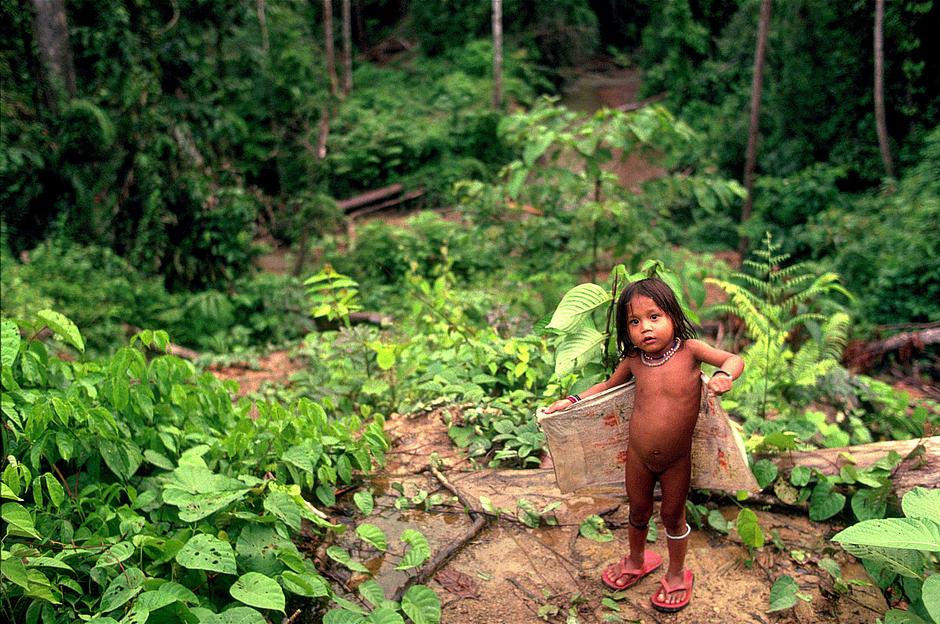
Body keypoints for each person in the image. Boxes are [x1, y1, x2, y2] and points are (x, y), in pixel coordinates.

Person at [544, 277, 743, 613]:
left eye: (654, 317)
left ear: (673, 317)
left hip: (675, 461)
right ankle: (637, 561)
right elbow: (608, 386)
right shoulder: (635, 361)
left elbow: (733, 359)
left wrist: (725, 376)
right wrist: (572, 400)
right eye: (634, 322)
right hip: (637, 458)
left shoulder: (691, 352)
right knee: (637, 512)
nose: (645, 328)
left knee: (672, 516)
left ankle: (678, 573)